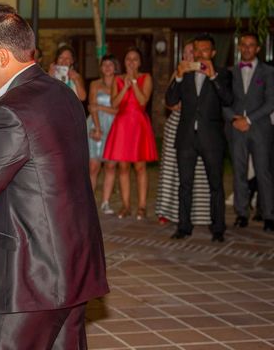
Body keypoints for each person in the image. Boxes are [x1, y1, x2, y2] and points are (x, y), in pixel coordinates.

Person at [0, 5, 109, 349]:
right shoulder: (63, 94)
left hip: (29, 278)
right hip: (74, 264)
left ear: (1, 57)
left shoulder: (6, 112)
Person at [166, 33, 233, 242]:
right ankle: (184, 227)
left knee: (216, 184)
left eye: (204, 50)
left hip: (211, 138)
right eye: (196, 50)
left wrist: (212, 76)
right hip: (186, 137)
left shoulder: (222, 73)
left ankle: (218, 228)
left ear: (213, 53)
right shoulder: (185, 74)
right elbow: (170, 99)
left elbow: (228, 99)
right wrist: (177, 75)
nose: (199, 54)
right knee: (185, 184)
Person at [155, 41, 211, 226]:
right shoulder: (179, 72)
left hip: (198, 128)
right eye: (186, 52)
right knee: (172, 171)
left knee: (198, 172)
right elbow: (169, 102)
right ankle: (167, 210)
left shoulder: (204, 71)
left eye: (191, 52)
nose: (188, 55)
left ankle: (197, 213)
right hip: (176, 126)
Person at [223, 32, 274, 232]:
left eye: (251, 45)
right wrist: (234, 119)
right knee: (239, 172)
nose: (247, 48)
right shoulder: (230, 72)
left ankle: (269, 215)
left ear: (257, 49)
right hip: (236, 129)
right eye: (243, 45)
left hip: (260, 128)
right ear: (239, 47)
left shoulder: (268, 72)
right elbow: (223, 100)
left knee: (264, 172)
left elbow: (271, 102)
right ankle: (241, 213)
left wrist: (249, 119)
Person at [103, 47, 158, 220]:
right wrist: (125, 87)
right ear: (124, 62)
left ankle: (142, 206)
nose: (132, 62)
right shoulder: (118, 80)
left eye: (135, 59)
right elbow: (114, 104)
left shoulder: (146, 78)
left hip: (139, 125)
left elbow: (143, 101)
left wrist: (133, 83)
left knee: (140, 166)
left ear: (140, 62)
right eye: (128, 59)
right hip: (122, 125)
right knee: (123, 167)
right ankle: (126, 205)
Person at [86, 54, 118, 214]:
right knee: (93, 165)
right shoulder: (95, 84)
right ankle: (89, 203)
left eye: (110, 65)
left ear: (115, 67)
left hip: (115, 127)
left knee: (111, 165)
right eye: (104, 65)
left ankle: (106, 202)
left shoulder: (120, 84)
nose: (107, 67)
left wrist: (101, 107)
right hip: (96, 124)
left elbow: (119, 110)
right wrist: (97, 128)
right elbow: (92, 106)